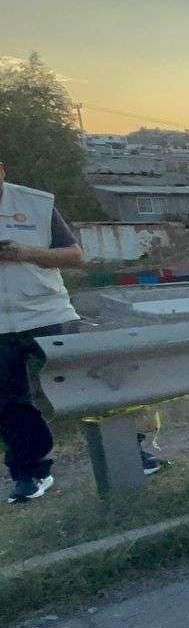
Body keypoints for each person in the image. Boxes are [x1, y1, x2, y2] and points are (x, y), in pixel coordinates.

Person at [0, 159, 86, 503]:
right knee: (9, 404)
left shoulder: (36, 203)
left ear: (2, 169)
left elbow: (75, 256)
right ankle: (30, 473)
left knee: (87, 384)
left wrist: (24, 253)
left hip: (47, 312)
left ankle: (129, 451)